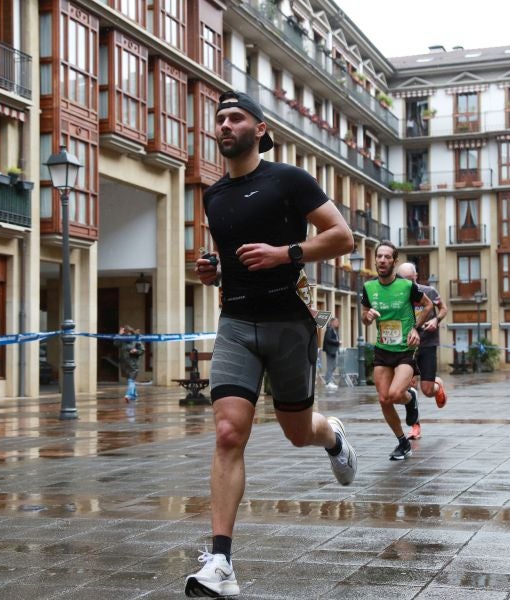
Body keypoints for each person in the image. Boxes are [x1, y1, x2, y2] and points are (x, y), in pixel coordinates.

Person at [186, 90, 357, 598]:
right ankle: (221, 561)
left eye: (235, 118)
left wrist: (286, 253)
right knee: (227, 432)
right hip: (237, 321)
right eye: (219, 119)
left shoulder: (289, 179)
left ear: (259, 129)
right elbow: (229, 260)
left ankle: (333, 436)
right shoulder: (213, 195)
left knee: (297, 433)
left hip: (289, 323)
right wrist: (212, 272)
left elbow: (342, 236)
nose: (224, 125)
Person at [362, 241, 433, 460]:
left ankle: (410, 398)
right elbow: (364, 317)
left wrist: (415, 327)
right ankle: (402, 442)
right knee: (384, 399)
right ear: (375, 260)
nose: (382, 260)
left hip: (405, 348)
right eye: (379, 256)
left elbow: (428, 305)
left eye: (387, 257)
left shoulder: (406, 286)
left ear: (394, 261)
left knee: (394, 394)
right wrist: (368, 317)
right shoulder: (368, 287)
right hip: (383, 349)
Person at [396, 262, 448, 440]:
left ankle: (437, 384)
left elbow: (443, 309)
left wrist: (436, 321)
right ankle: (415, 426)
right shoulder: (398, 294)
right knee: (410, 387)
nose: (407, 284)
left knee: (426, 389)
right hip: (408, 346)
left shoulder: (430, 292)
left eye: (410, 280)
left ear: (416, 277)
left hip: (428, 343)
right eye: (403, 280)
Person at [114, 325, 144, 402]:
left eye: (129, 333)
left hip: (133, 364)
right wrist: (119, 334)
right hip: (125, 364)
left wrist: (136, 351)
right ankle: (134, 395)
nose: (127, 335)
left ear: (131, 332)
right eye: (125, 333)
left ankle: (129, 395)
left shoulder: (136, 340)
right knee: (131, 380)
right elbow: (116, 344)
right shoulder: (122, 341)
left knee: (131, 380)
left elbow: (142, 350)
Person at [322, 317, 341, 390]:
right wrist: (337, 342)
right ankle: (328, 382)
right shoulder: (329, 330)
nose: (337, 323)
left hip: (334, 350)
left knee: (334, 366)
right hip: (330, 351)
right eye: (336, 322)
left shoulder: (334, 330)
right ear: (332, 322)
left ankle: (328, 380)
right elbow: (328, 339)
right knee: (330, 366)